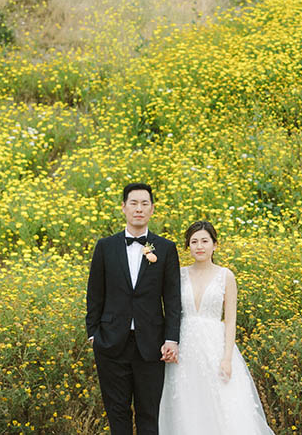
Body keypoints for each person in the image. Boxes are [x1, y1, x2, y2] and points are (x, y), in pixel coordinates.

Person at [158, 220, 275, 435]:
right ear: (188, 246)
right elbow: (171, 311)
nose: (199, 246)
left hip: (215, 346)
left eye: (204, 241)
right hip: (185, 349)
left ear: (214, 245)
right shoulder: (179, 274)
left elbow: (230, 320)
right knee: (188, 403)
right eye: (194, 242)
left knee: (222, 403)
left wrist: (227, 358)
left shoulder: (226, 276)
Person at [86, 183, 182, 435]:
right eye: (133, 203)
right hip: (110, 344)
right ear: (123, 207)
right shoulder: (105, 247)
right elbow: (95, 293)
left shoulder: (166, 248)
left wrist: (172, 338)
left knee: (149, 414)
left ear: (152, 209)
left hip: (151, 345)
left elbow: (172, 298)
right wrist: (93, 333)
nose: (139, 209)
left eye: (144, 204)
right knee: (117, 414)